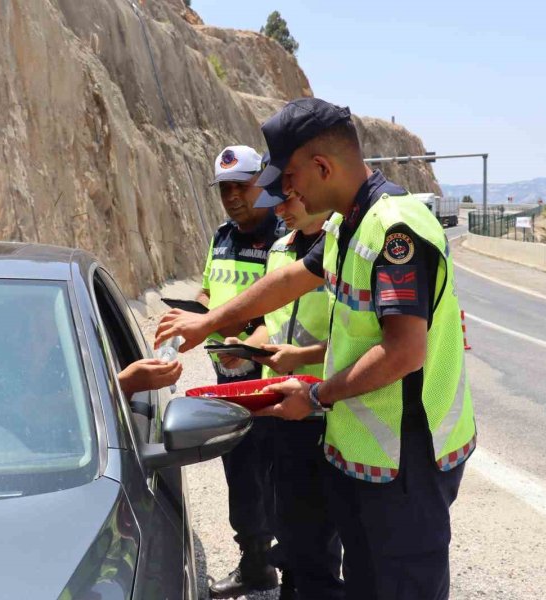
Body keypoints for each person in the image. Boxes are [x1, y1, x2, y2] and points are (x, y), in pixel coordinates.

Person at [155, 98, 476, 600]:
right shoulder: (345, 225)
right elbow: (290, 281)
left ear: (322, 167)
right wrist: (210, 323)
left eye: (289, 178)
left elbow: (403, 353)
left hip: (408, 460)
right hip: (365, 454)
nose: (284, 192)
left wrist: (317, 396)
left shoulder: (394, 228)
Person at [248, 179, 345, 600]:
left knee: (318, 536)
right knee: (286, 520)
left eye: (284, 200)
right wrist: (249, 346)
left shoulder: (343, 248)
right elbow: (273, 316)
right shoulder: (280, 249)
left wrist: (301, 355)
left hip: (325, 409)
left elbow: (362, 340)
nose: (278, 211)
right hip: (281, 404)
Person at [199, 145, 286, 598]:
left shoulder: (286, 238)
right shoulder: (221, 236)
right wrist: (193, 323)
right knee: (241, 474)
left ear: (263, 184)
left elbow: (286, 310)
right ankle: (255, 566)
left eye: (241, 186)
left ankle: (300, 573)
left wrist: (247, 350)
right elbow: (209, 293)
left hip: (274, 386)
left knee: (283, 480)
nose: (231, 196)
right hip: (228, 384)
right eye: (224, 189)